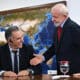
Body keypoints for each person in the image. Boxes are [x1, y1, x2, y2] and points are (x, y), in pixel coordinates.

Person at [30, 3, 80, 75]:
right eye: (52, 17)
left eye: (55, 17)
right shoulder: (57, 27)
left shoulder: (74, 28)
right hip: (62, 72)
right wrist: (43, 57)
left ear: (65, 16)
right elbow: (55, 46)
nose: (52, 20)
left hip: (75, 73)